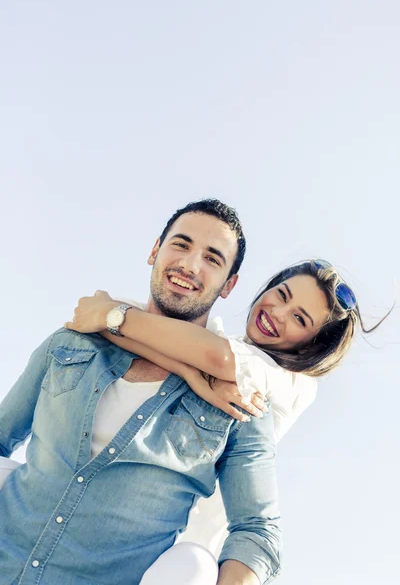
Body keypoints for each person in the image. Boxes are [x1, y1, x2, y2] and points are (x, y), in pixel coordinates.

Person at [0, 199, 282, 585]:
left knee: (194, 562)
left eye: (212, 259)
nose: (190, 265)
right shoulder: (72, 344)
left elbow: (256, 532)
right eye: (181, 245)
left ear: (229, 285)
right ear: (155, 251)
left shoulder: (240, 401)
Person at [65, 257, 384, 566]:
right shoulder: (219, 341)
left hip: (187, 557)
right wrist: (191, 372)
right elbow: (116, 320)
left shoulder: (293, 384)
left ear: (310, 346)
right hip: (128, 536)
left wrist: (113, 318)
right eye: (282, 295)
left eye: (300, 319)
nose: (278, 312)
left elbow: (218, 359)